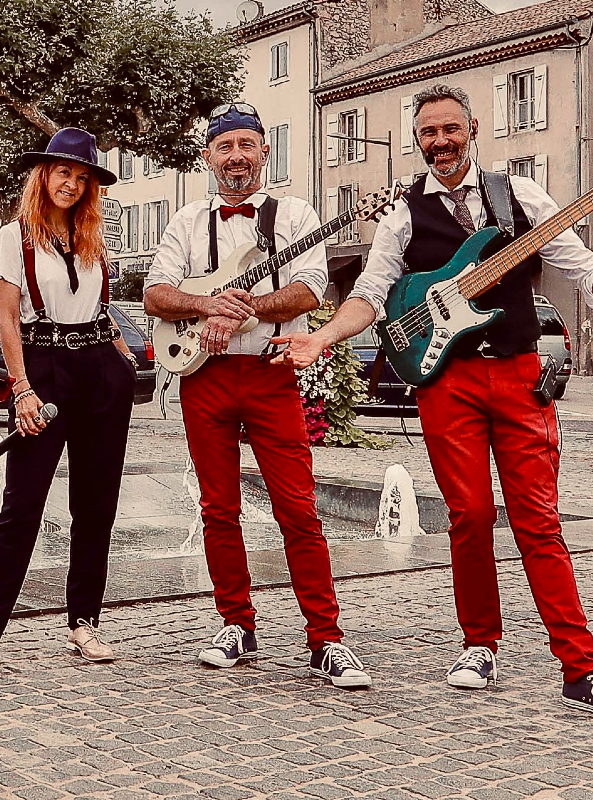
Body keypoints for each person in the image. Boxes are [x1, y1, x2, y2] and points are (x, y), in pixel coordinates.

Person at [274, 84, 593, 722]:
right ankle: (479, 642)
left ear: (473, 128)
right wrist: (321, 335)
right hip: (447, 382)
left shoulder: (521, 197)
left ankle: (582, 669)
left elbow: (584, 266)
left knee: (539, 521)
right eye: (429, 133)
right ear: (417, 140)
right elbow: (372, 292)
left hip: (517, 374)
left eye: (451, 128)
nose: (441, 142)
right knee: (471, 514)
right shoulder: (403, 212)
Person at [143, 104, 367, 688]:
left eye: (247, 144)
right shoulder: (186, 221)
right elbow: (155, 296)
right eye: (225, 147)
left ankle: (326, 638)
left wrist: (243, 316)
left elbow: (307, 293)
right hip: (204, 377)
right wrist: (208, 306)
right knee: (218, 509)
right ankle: (235, 623)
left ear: (265, 151)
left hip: (270, 374)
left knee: (299, 508)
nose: (236, 156)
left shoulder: (294, 213)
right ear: (208, 156)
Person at [0, 127, 135, 675]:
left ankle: (84, 621)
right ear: (43, 175)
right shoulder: (15, 237)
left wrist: (122, 356)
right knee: (22, 505)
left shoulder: (91, 238)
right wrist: (21, 388)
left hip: (100, 372)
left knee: (96, 505)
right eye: (63, 173)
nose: (71, 184)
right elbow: (9, 320)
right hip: (44, 367)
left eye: (82, 178)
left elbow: (100, 307)